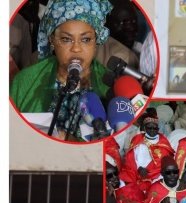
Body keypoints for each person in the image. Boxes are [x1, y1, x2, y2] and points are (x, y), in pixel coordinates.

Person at [10, 0, 113, 140]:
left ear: (96, 41)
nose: (76, 48)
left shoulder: (110, 85)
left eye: (86, 39)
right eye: (66, 39)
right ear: (52, 40)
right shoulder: (25, 82)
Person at [120, 114, 175, 191]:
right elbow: (130, 158)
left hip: (156, 175)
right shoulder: (137, 139)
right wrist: (138, 168)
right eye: (149, 127)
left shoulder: (163, 141)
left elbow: (165, 161)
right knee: (123, 182)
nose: (152, 130)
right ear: (145, 128)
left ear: (158, 129)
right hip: (136, 172)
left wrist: (150, 172)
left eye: (155, 128)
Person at [96, 0, 139, 68]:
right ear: (107, 23)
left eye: (134, 21)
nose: (131, 28)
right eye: (125, 22)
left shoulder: (142, 50)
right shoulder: (124, 57)